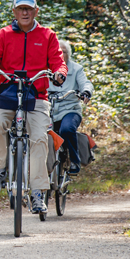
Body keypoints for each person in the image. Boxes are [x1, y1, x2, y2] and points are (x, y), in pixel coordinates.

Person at [0, 0, 67, 214]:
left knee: (39, 139)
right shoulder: (4, 34)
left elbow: (58, 62)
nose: (25, 12)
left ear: (36, 11)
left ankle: (37, 192)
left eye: (29, 8)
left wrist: (59, 74)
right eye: (20, 9)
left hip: (36, 96)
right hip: (7, 93)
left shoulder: (47, 35)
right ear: (14, 11)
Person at [49, 40, 94, 175]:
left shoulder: (76, 69)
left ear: (69, 54)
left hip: (70, 109)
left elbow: (86, 83)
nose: (61, 55)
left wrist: (86, 92)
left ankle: (74, 160)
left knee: (67, 129)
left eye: (64, 52)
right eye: (59, 52)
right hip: (49, 108)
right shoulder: (46, 68)